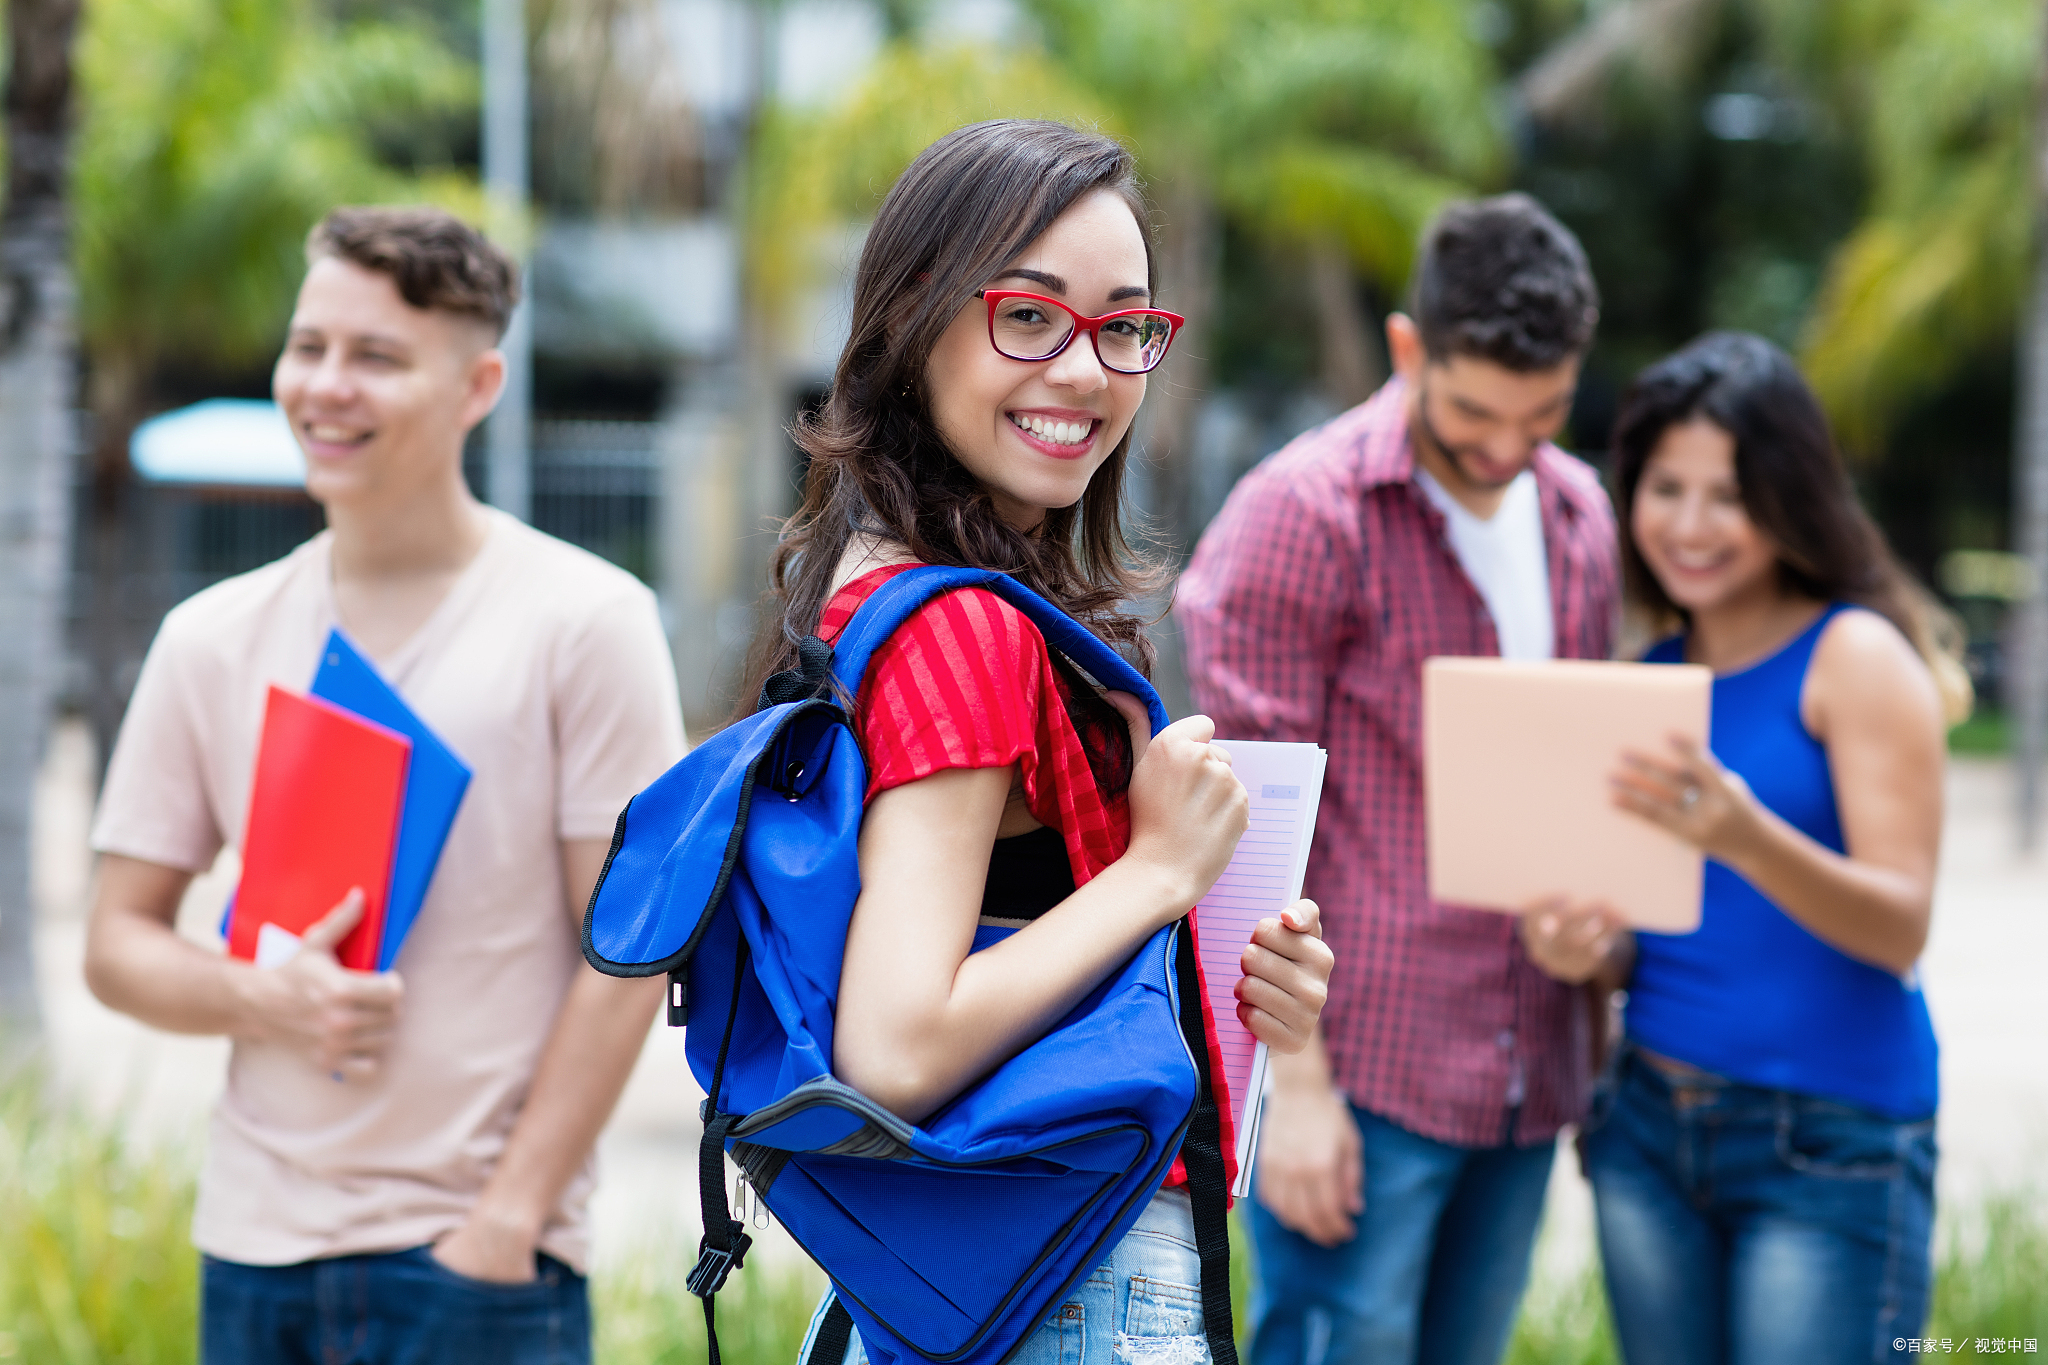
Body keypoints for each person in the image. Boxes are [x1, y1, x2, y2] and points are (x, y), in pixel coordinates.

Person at [745, 120, 1336, 1363]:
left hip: (980, 1273)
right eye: (1029, 314)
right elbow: (895, 1047)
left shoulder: (881, 587)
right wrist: (1156, 876)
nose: (1084, 369)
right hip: (1067, 1288)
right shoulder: (964, 628)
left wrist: (1218, 966)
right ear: (913, 316)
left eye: (1124, 327)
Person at [83, 206, 686, 1365]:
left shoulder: (584, 622)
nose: (325, 386)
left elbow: (627, 954)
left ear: (477, 386)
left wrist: (508, 1221)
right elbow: (115, 945)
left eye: (376, 357)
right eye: (308, 347)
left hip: (477, 1268)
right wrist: (259, 996)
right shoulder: (208, 636)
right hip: (254, 1254)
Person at [1177, 193, 1616, 1364]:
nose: (1504, 447)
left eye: (1542, 413)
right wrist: (1296, 1092)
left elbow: (1573, 784)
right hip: (1360, 1075)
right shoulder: (1298, 516)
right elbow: (1246, 836)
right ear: (1406, 347)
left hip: (1525, 1069)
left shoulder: (1578, 516)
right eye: (1473, 408)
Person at [1520, 331, 1966, 1364]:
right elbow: (1668, 925)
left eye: (1725, 493)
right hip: (1646, 1131)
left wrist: (1743, 834)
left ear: (1786, 495)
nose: (1687, 524)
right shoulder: (1650, 674)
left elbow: (1898, 926)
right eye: (1661, 487)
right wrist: (1591, 949)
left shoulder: (1854, 656)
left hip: (1825, 1142)